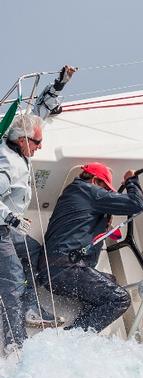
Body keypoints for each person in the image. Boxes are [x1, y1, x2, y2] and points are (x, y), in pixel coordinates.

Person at [0, 66, 76, 354]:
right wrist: (9, 216)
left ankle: (31, 308)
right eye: (39, 143)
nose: (41, 148)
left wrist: (58, 85)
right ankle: (13, 344)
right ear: (23, 142)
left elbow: (35, 115)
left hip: (8, 226)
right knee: (11, 281)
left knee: (33, 253)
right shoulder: (8, 163)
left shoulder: (18, 140)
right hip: (1, 229)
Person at [37, 163, 143, 333]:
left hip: (54, 270)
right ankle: (73, 338)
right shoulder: (89, 191)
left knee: (110, 282)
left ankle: (80, 329)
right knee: (120, 299)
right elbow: (136, 203)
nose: (107, 193)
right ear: (95, 181)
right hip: (66, 268)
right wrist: (131, 180)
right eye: (105, 188)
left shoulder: (74, 193)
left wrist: (102, 225)